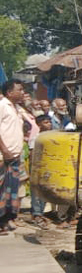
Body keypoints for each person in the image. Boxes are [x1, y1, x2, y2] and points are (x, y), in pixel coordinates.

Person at [0, 80, 26, 234]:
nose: (22, 92)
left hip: (15, 156)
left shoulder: (16, 108)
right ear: (9, 92)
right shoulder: (3, 106)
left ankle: (5, 219)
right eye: (20, 90)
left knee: (10, 190)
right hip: (3, 155)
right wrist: (4, 150)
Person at [28, 114, 51, 229]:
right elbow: (32, 154)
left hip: (47, 168)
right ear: (39, 124)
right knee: (36, 192)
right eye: (46, 122)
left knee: (44, 191)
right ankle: (37, 214)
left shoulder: (51, 137)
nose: (49, 124)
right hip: (38, 168)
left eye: (49, 122)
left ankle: (41, 212)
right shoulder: (36, 138)